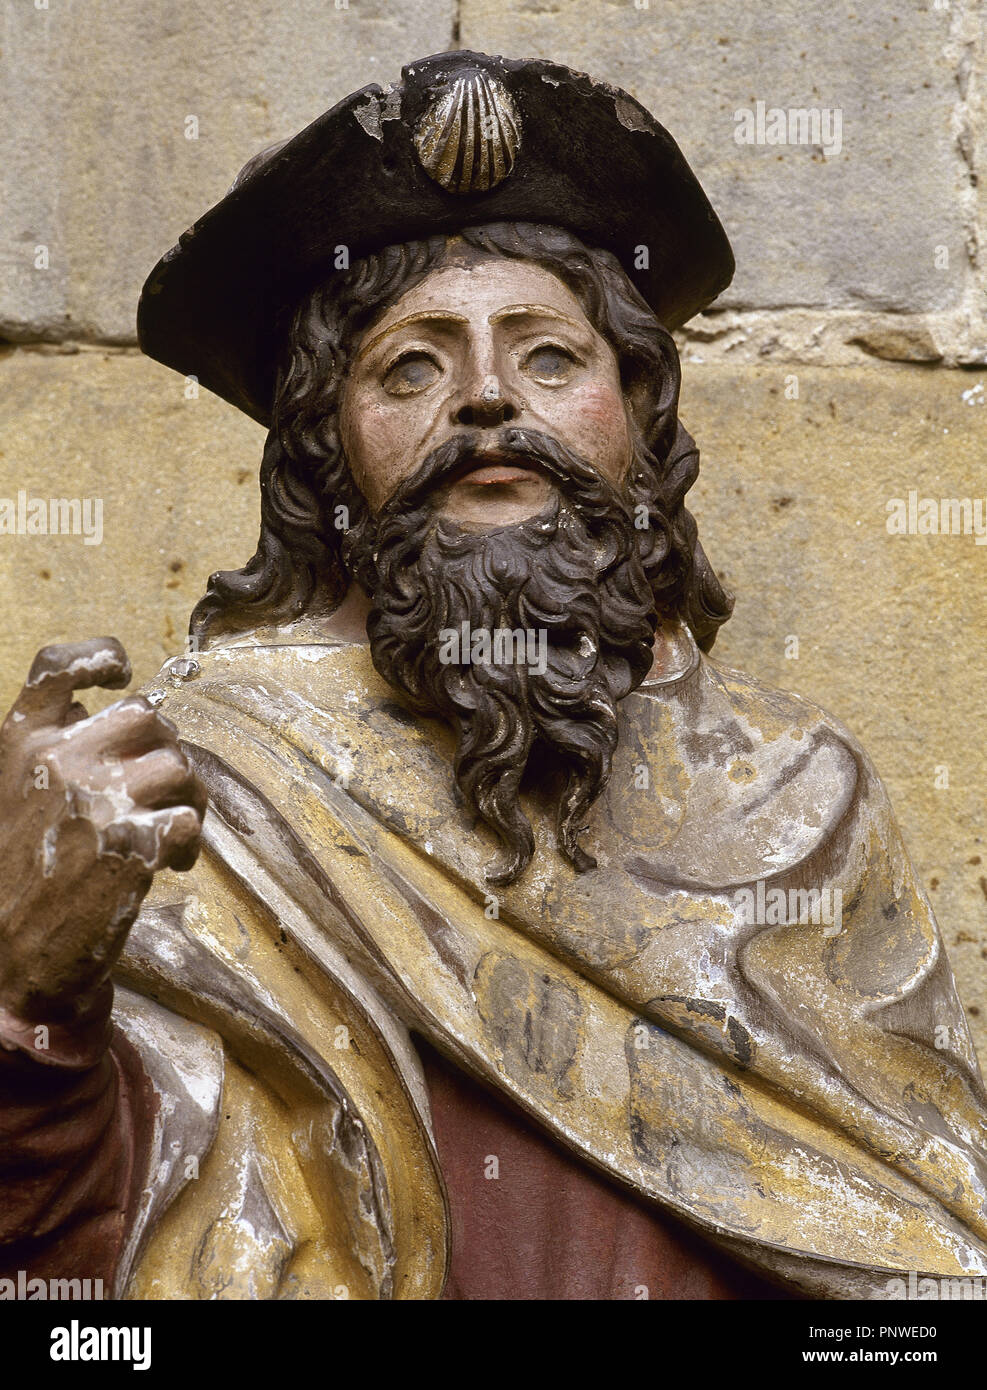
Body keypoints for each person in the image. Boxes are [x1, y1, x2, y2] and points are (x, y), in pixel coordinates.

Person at [2, 50, 986, 1302]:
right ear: (324, 458)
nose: (483, 399)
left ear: (637, 427)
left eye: (550, 358)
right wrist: (27, 1002)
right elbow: (75, 1296)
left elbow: (925, 1249)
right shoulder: (202, 797)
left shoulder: (804, 801)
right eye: (410, 365)